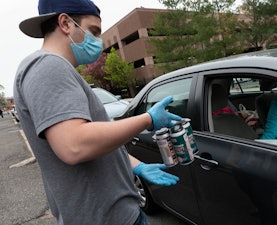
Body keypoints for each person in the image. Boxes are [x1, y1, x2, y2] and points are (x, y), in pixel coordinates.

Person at [13, 0, 182, 224]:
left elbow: (93, 139)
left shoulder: (54, 69)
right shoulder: (47, 67)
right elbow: (74, 144)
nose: (98, 41)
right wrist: (147, 119)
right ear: (65, 23)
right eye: (93, 31)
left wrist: (135, 165)